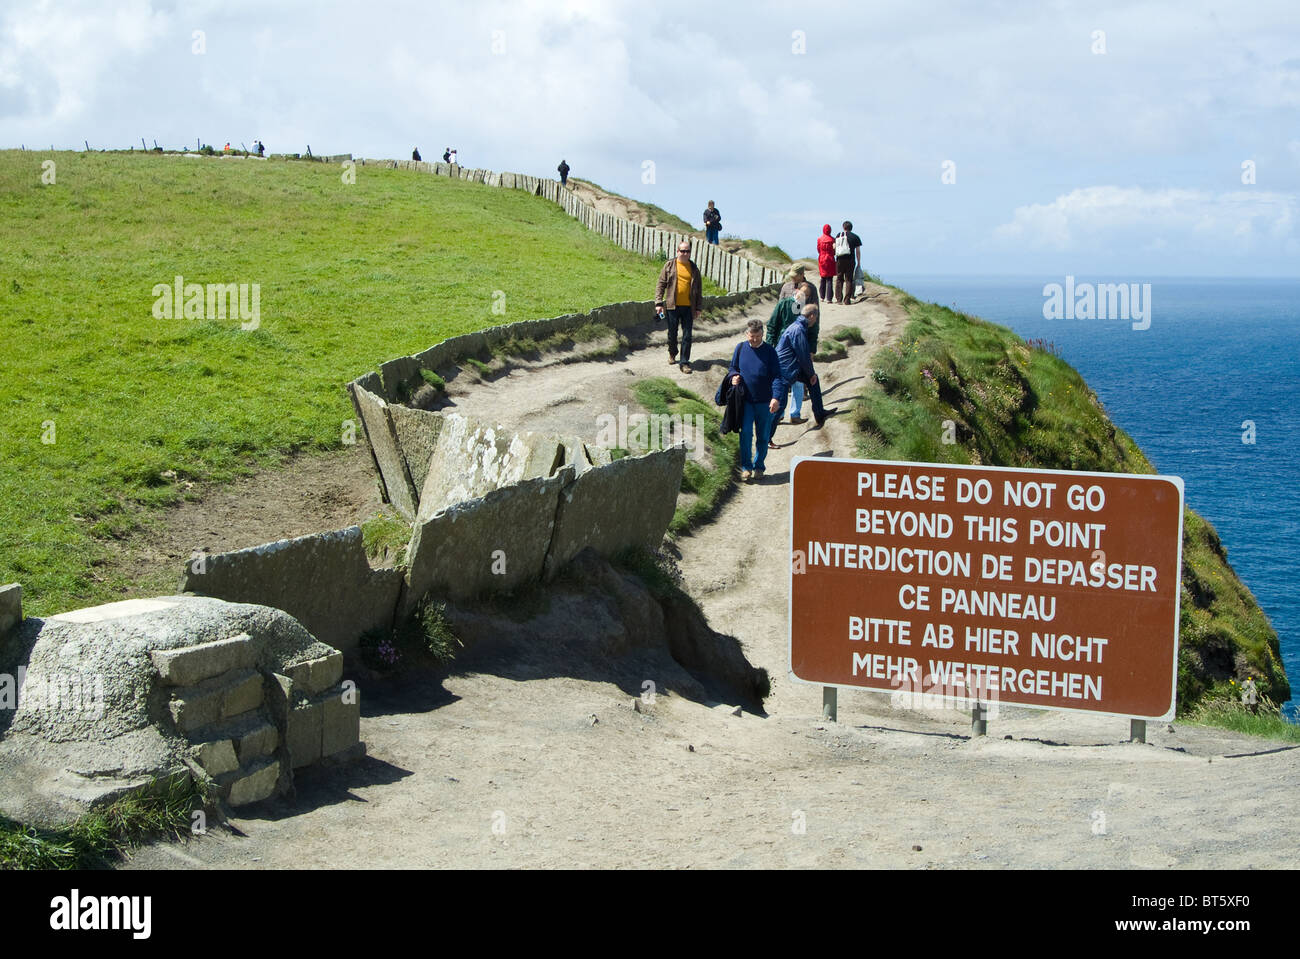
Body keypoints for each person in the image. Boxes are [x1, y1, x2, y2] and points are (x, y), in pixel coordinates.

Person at [727, 320, 785, 482]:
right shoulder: (740, 348)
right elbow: (733, 368)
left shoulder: (770, 352)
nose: (755, 339)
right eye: (752, 336)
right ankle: (746, 467)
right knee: (745, 433)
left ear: (762, 334)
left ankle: (759, 466)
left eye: (758, 336)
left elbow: (777, 377)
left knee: (763, 435)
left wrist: (776, 397)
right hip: (745, 401)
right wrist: (733, 377)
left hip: (765, 402)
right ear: (747, 334)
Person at [775, 304, 828, 427]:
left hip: (787, 366)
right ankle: (768, 434)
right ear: (812, 316)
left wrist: (811, 375)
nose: (816, 320)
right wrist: (811, 373)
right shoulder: (798, 330)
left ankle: (819, 413)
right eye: (816, 317)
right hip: (785, 368)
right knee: (781, 401)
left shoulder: (797, 326)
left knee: (813, 381)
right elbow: (804, 355)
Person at [654, 240, 702, 373]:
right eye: (682, 251)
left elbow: (699, 290)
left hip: (688, 308)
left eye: (687, 251)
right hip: (672, 306)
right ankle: (672, 352)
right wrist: (658, 303)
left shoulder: (694, 269)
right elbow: (660, 284)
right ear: (677, 251)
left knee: (687, 336)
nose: (685, 253)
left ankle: (684, 362)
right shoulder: (669, 265)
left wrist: (698, 308)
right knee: (672, 334)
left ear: (690, 253)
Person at [833, 220, 862, 304]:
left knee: (839, 278)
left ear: (843, 227)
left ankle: (839, 299)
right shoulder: (855, 237)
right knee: (849, 279)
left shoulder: (839, 235)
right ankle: (847, 300)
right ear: (851, 228)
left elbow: (834, 247)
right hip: (850, 260)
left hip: (839, 259)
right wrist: (859, 262)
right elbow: (858, 251)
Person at [817, 224, 836, 302]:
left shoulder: (820, 239)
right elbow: (834, 251)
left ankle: (822, 297)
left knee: (823, 278)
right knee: (829, 279)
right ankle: (829, 298)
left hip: (822, 258)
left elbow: (818, 250)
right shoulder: (833, 239)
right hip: (830, 259)